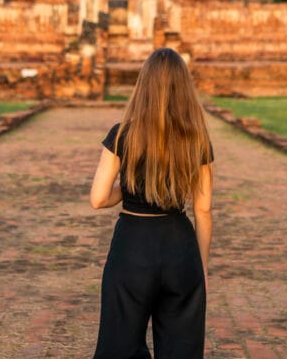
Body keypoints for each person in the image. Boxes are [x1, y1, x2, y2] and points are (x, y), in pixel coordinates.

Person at [89, 47, 214, 359]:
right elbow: (203, 209)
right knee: (181, 349)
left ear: (143, 85)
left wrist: (129, 189)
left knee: (120, 346)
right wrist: (200, 266)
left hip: (132, 246)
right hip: (179, 246)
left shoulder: (122, 135)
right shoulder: (196, 138)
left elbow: (99, 198)